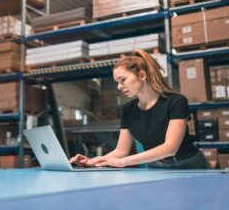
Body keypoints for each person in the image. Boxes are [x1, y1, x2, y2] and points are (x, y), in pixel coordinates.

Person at [70, 50, 209, 169]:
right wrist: (93, 162)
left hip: (189, 165)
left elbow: (170, 148)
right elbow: (120, 151)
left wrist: (123, 162)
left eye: (122, 79)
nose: (119, 87)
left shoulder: (176, 102)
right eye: (117, 82)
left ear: (142, 75)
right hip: (156, 168)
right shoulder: (128, 110)